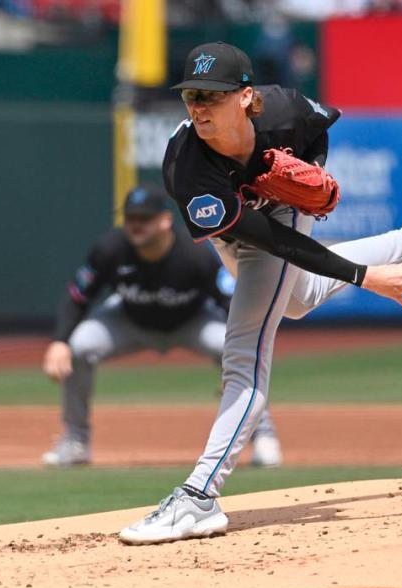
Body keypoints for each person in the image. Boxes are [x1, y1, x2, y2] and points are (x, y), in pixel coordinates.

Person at [117, 42, 402, 545]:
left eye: (212, 94)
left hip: (275, 208)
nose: (199, 106)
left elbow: (318, 131)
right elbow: (272, 242)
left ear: (245, 97)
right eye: (191, 95)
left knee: (244, 353)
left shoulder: (285, 109)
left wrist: (306, 170)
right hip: (242, 226)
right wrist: (365, 277)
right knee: (294, 300)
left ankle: (198, 498)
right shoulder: (188, 169)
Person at [42, 183, 284, 468]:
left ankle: (264, 435)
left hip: (191, 321)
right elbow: (77, 296)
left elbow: (231, 302)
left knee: (230, 346)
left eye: (145, 218)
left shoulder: (196, 255)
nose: (136, 225)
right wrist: (59, 340)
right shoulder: (110, 249)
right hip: (129, 321)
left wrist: (234, 360)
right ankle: (75, 440)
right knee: (79, 345)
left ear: (165, 220)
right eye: (131, 218)